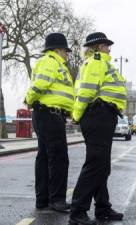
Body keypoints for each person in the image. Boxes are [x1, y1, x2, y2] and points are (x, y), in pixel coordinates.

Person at [69, 32, 127, 225]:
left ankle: (102, 207)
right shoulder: (96, 61)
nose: (109, 49)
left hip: (103, 115)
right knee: (95, 165)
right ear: (99, 47)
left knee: (102, 166)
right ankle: (78, 211)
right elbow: (86, 91)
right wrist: (77, 115)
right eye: (106, 45)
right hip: (98, 115)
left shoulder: (98, 62)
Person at [25, 33, 74, 212]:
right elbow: (39, 85)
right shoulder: (51, 62)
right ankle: (57, 200)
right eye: (65, 51)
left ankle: (43, 200)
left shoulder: (54, 63)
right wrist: (29, 99)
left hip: (48, 115)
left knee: (45, 157)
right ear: (57, 50)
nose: (67, 54)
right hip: (49, 115)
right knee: (59, 158)